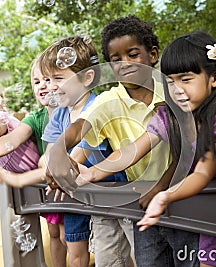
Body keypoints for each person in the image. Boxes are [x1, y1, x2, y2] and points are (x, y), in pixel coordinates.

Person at [78, 32, 216, 267]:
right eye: (171, 82)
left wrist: (165, 194)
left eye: (186, 79)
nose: (178, 89)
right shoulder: (170, 116)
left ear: (213, 78)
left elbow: (202, 172)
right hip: (213, 216)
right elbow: (134, 150)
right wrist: (94, 172)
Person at [43, 15, 177, 267]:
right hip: (142, 203)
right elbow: (77, 128)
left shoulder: (173, 91)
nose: (125, 63)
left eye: (133, 54)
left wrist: (162, 185)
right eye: (116, 60)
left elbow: (188, 147)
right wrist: (58, 153)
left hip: (186, 196)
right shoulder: (108, 101)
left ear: (153, 54)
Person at [38, 35, 127, 267]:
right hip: (76, 191)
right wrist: (50, 166)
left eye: (58, 78)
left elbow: (80, 155)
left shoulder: (97, 106)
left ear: (87, 78)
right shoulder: (59, 114)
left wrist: (56, 168)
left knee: (119, 250)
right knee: (75, 250)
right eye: (47, 79)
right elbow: (48, 155)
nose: (51, 86)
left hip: (109, 191)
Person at [0, 55, 67, 267]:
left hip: (68, 184)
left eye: (48, 80)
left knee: (70, 236)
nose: (42, 86)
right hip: (50, 186)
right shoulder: (36, 117)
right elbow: (12, 139)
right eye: (37, 81)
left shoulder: (71, 114)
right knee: (54, 233)